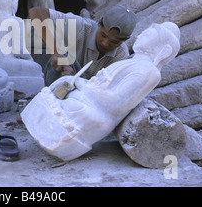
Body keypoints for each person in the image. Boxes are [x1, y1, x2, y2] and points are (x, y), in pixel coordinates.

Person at [21, 22, 180, 161]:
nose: (140, 36)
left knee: (73, 105)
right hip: (90, 98)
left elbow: (116, 103)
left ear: (164, 50)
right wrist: (83, 84)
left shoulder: (150, 72)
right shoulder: (133, 61)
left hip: (99, 113)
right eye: (144, 32)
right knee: (62, 85)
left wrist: (85, 85)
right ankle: (39, 121)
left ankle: (56, 140)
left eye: (148, 35)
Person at [29, 4, 137, 86]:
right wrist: (56, 52)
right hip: (61, 84)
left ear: (125, 40)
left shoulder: (121, 55)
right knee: (62, 58)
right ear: (99, 23)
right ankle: (49, 104)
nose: (105, 43)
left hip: (88, 97)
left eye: (114, 42)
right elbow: (36, 12)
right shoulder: (81, 27)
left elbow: (108, 89)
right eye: (103, 35)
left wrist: (78, 82)